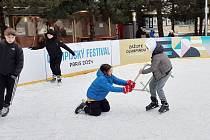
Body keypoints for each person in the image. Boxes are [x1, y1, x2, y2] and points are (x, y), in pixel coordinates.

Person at [139, 39, 172, 113]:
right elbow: (155, 65)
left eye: (147, 47)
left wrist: (142, 72)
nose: (147, 49)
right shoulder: (157, 51)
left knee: (159, 88)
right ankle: (154, 102)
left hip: (165, 73)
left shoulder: (157, 55)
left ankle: (165, 104)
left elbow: (153, 68)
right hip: (159, 71)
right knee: (151, 85)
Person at [0, 27, 24, 117]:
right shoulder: (1, 44)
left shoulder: (17, 48)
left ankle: (6, 106)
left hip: (12, 75)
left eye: (12, 37)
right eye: (8, 37)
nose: (10, 39)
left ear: (14, 37)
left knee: (9, 92)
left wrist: (15, 74)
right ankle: (0, 107)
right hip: (1, 73)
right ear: (5, 36)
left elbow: (20, 62)